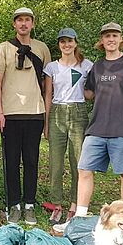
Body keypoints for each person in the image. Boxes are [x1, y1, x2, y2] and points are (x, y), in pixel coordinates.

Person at [53, 22, 123, 233]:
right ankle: (79, 219)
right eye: (107, 36)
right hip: (97, 128)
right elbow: (89, 93)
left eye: (115, 35)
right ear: (102, 40)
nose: (111, 39)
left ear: (120, 39)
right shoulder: (97, 66)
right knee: (84, 169)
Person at [0, 7, 51, 225]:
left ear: (33, 24)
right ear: (14, 24)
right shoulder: (3, 49)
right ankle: (13, 205)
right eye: (19, 20)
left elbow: (46, 85)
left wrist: (47, 115)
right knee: (11, 161)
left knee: (32, 160)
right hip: (10, 113)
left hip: (35, 111)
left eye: (27, 20)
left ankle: (30, 204)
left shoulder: (42, 48)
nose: (23, 24)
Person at [43, 28, 93, 223]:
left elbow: (92, 91)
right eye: (62, 42)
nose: (66, 45)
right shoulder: (52, 67)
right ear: (59, 45)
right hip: (57, 112)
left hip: (78, 112)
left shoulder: (87, 66)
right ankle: (56, 204)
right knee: (56, 162)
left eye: (70, 41)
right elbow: (48, 94)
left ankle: (75, 204)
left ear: (75, 43)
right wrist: (46, 122)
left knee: (78, 162)